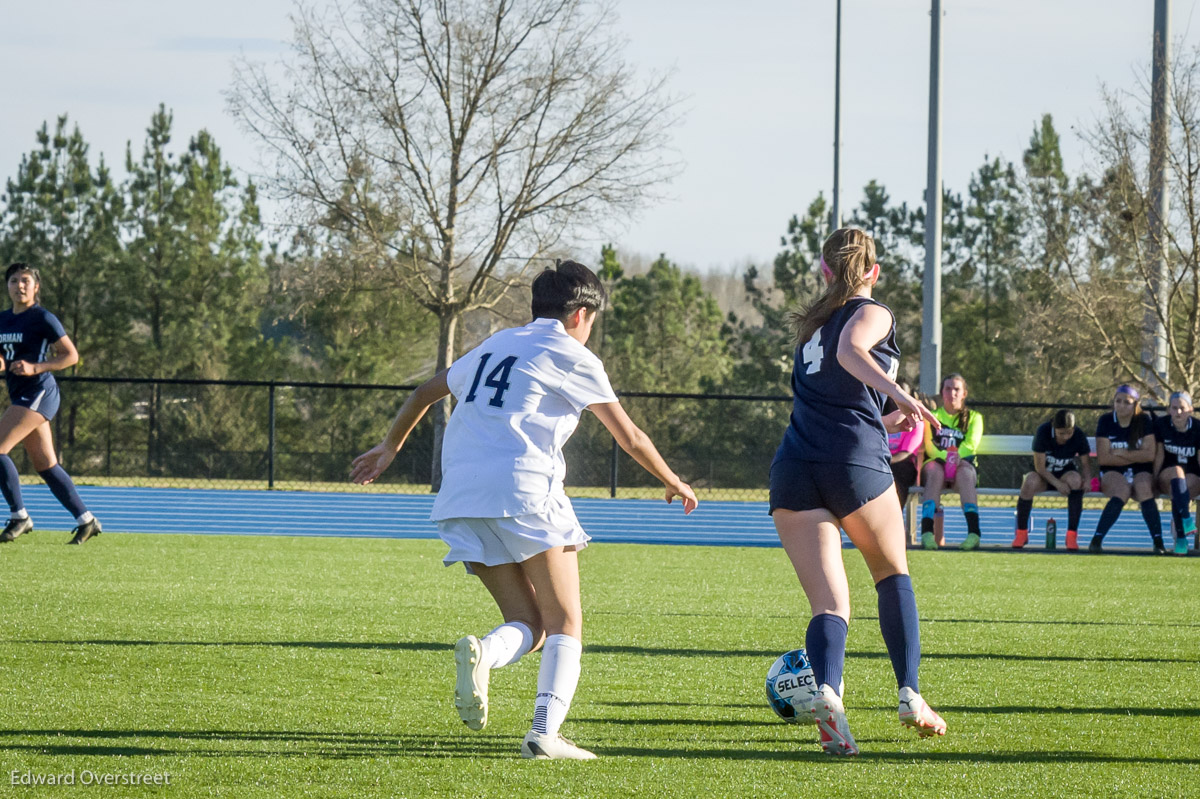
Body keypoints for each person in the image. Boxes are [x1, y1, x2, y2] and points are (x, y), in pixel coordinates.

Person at [350, 261, 697, 761]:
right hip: (525, 490)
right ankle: (544, 734)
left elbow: (427, 392)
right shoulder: (570, 353)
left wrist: (389, 447)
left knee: (528, 623)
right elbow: (630, 436)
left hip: (462, 495)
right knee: (565, 623)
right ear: (581, 314)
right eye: (593, 320)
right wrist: (672, 480)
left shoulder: (496, 343)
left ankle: (485, 653)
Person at [769, 227, 946, 757]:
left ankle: (828, 694)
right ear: (873, 270)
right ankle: (911, 695)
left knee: (830, 603)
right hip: (852, 462)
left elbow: (835, 385)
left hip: (794, 466)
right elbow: (853, 350)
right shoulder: (873, 312)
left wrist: (885, 409)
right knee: (892, 574)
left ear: (824, 271)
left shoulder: (811, 326)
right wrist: (901, 396)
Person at [0, 263, 101, 545]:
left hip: (39, 391)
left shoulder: (42, 318)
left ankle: (19, 516)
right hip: (21, 393)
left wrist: (36, 367)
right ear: (7, 286)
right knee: (46, 465)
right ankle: (86, 520)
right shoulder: (3, 320)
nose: (19, 286)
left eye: (25, 281)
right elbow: (3, 360)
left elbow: (70, 356)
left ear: (36, 287)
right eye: (13, 281)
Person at [1089, 385, 1163, 554]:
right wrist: (1136, 454)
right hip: (1113, 471)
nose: (1121, 405)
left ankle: (1158, 542)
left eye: (1127, 402)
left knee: (1144, 488)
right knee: (1122, 490)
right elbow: (1104, 458)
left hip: (1140, 470)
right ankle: (1097, 539)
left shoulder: (1144, 421)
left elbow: (1149, 455)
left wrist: (1123, 453)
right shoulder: (1106, 420)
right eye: (1118, 401)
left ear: (1135, 404)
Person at [920, 374, 985, 550]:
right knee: (935, 472)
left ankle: (974, 533)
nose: (952, 393)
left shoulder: (974, 417)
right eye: (948, 388)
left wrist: (955, 459)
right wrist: (945, 459)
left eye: (957, 389)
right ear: (942, 392)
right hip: (936, 465)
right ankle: (926, 533)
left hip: (962, 466)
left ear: (964, 393)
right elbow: (929, 445)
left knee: (965, 472)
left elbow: (971, 445)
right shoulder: (931, 416)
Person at [1012, 409, 1092, 551]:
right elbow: (1040, 467)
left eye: (1069, 432)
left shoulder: (1079, 435)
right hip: (1043, 475)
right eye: (1061, 433)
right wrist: (1057, 483)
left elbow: (1085, 463)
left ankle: (1071, 535)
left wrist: (1087, 479)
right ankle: (1022, 533)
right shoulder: (1043, 432)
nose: (1066, 437)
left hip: (1065, 474)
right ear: (1054, 428)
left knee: (1075, 480)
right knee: (1029, 482)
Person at [1153, 390, 1200, 556]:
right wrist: (1154, 477)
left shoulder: (1198, 427)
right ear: (1168, 410)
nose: (1178, 412)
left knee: (1179, 490)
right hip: (1168, 472)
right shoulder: (1161, 424)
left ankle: (1181, 538)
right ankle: (1187, 519)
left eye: (1182, 407)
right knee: (1176, 472)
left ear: (1190, 410)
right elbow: (1159, 454)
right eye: (1174, 408)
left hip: (1191, 475)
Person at [887, 380, 924, 509]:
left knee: (895, 473)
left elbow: (906, 452)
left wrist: (884, 461)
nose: (897, 398)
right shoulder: (881, 416)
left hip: (901, 465)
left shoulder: (916, 421)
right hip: (882, 461)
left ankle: (894, 515)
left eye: (902, 393)